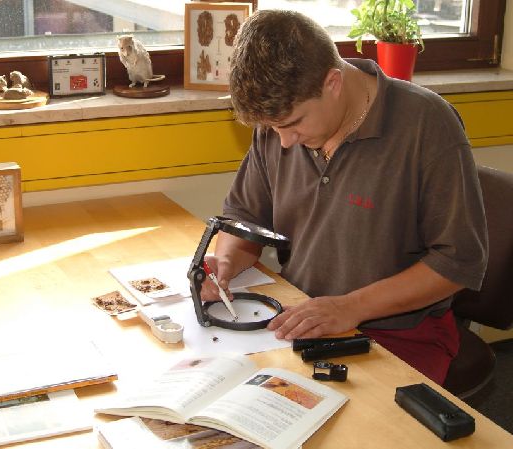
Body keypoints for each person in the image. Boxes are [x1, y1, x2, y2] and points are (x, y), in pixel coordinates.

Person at [200, 9, 488, 385]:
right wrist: (225, 263)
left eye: (293, 124)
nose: (283, 141)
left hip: (400, 334)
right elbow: (244, 217)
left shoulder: (427, 124)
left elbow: (459, 261)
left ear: (333, 83)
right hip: (300, 315)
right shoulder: (280, 121)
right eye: (273, 128)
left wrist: (350, 307)